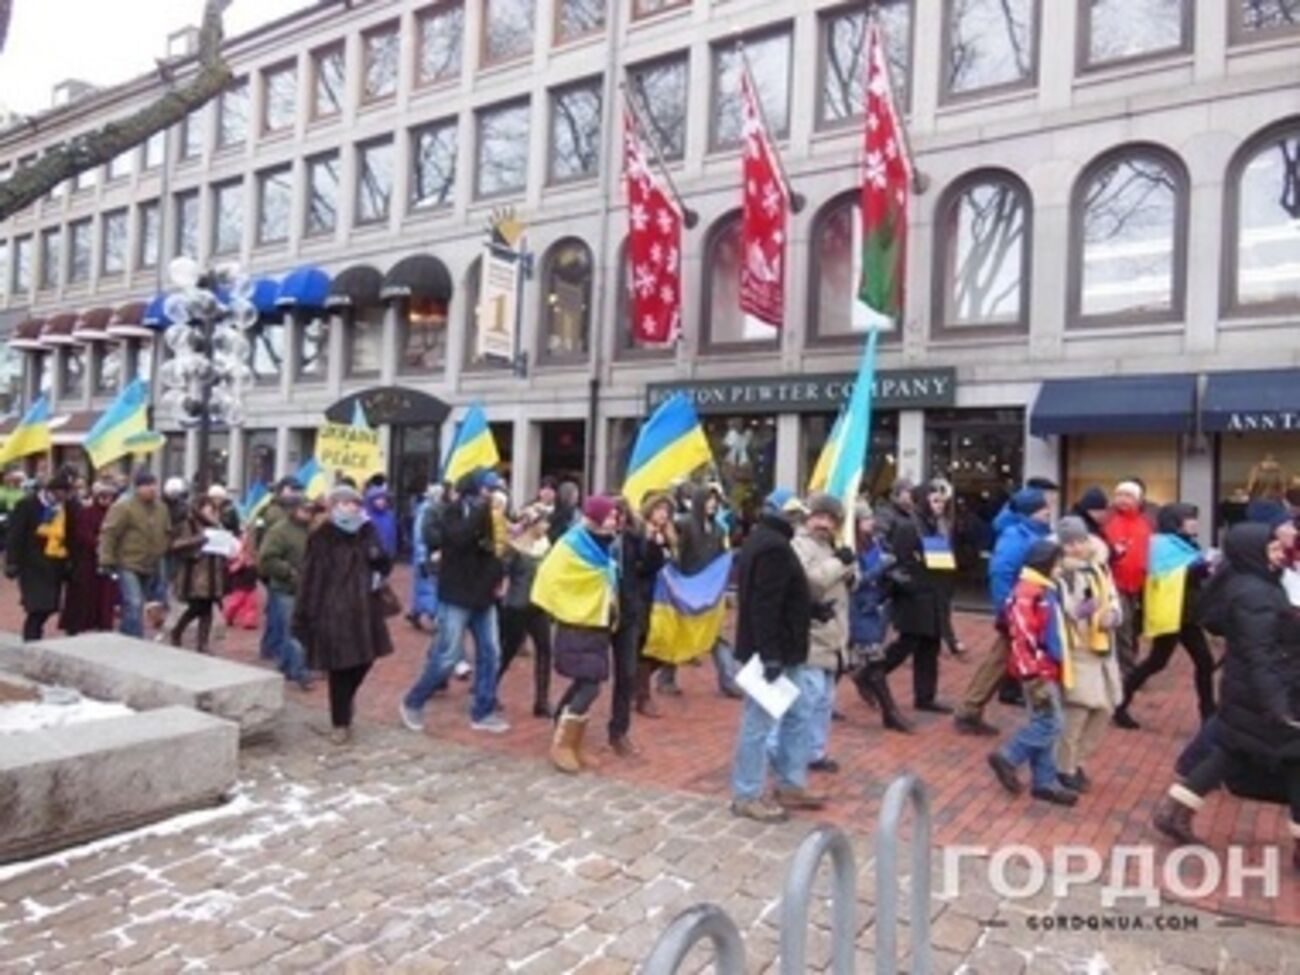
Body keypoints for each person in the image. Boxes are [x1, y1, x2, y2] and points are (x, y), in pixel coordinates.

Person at [1151, 523, 1300, 867]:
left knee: (1235, 751)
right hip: (1265, 691)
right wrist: (1278, 705)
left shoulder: (1253, 583)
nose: (1280, 554)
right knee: (1290, 758)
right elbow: (1262, 652)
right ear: (1253, 553)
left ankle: (1175, 810)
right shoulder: (1255, 592)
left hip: (1250, 689)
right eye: (1273, 549)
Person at [729, 489, 824, 823]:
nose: (798, 518)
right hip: (774, 651)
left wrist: (813, 609)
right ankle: (746, 793)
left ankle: (790, 782)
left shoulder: (769, 540)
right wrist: (770, 655)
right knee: (758, 723)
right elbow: (764, 604)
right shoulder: (772, 546)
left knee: (799, 713)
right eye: (794, 513)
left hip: (783, 648)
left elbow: (783, 594)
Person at [399, 469, 509, 735]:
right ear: (474, 490)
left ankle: (482, 710)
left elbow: (498, 551)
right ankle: (413, 702)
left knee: (491, 653)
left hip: (484, 595)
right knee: (447, 656)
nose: (493, 495)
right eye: (487, 489)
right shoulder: (451, 511)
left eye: (496, 489)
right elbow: (457, 539)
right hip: (457, 594)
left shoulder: (496, 516)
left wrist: (499, 578)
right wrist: (483, 513)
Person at [292, 485, 394, 745]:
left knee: (365, 661)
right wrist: (306, 614)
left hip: (365, 608)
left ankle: (346, 701)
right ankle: (340, 723)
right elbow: (311, 577)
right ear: (335, 505)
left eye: (356, 504)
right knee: (340, 667)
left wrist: (378, 556)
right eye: (348, 503)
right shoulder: (322, 536)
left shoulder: (367, 530)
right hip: (333, 610)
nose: (353, 508)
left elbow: (385, 563)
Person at [953, 487, 1053, 736]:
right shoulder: (1016, 537)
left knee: (1000, 660)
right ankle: (969, 710)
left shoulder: (1031, 533)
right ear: (1032, 512)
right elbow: (1000, 574)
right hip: (1019, 610)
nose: (1048, 512)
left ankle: (970, 709)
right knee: (1000, 660)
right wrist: (1007, 611)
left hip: (1027, 608)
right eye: (1044, 508)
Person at [987, 539, 1078, 806]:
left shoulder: (1040, 589)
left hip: (1043, 666)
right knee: (1051, 722)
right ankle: (1009, 755)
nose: (1061, 568)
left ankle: (1044, 781)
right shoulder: (1030, 592)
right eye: (1058, 563)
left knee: (1045, 719)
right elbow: (1023, 635)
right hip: (1038, 670)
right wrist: (1033, 670)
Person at [1113, 503, 1215, 729]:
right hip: (1171, 613)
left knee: (1201, 662)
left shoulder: (1187, 545)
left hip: (1186, 615)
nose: (1195, 522)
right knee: (1157, 662)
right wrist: (1196, 569)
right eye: (1189, 518)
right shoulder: (1160, 545)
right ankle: (1119, 704)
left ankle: (1208, 714)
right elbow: (1163, 575)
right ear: (1176, 522)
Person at [540, 496, 621, 773]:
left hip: (596, 623)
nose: (614, 521)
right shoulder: (572, 544)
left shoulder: (603, 545)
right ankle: (563, 743)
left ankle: (570, 738)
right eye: (609, 516)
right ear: (596, 518)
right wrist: (567, 605)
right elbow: (550, 577)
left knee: (587, 680)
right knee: (590, 684)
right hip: (576, 623)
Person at [1054, 516, 1122, 793]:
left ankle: (1078, 760)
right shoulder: (1059, 573)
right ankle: (1065, 767)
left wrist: (1113, 614)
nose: (1077, 547)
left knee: (1105, 708)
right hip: (1077, 650)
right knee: (1078, 711)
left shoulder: (1100, 567)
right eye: (1069, 542)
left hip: (1103, 647)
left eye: (1080, 540)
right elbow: (1057, 612)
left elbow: (1113, 597)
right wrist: (1079, 612)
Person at [791, 494, 857, 773]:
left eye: (830, 519)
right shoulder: (799, 545)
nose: (824, 523)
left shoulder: (832, 546)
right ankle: (790, 753)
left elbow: (849, 582)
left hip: (834, 635)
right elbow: (812, 582)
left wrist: (851, 570)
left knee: (824, 701)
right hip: (812, 634)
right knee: (806, 700)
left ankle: (815, 752)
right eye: (819, 516)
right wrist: (839, 564)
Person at [607, 496, 668, 757]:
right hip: (599, 614)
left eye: (619, 514)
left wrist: (655, 545)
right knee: (590, 675)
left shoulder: (634, 538)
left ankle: (619, 732)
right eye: (611, 515)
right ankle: (570, 721)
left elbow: (649, 567)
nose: (615, 520)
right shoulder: (592, 539)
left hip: (629, 612)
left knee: (627, 673)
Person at [881, 484, 949, 716]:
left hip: (933, 594)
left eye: (942, 501)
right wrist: (910, 586)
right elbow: (898, 563)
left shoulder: (936, 526)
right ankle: (872, 674)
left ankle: (925, 696)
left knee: (930, 646)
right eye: (935, 500)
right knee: (906, 643)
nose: (940, 505)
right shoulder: (910, 527)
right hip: (915, 596)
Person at [848, 501, 911, 732]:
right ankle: (890, 712)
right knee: (874, 661)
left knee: (843, 660)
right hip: (859, 609)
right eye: (866, 519)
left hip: (873, 606)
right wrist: (881, 568)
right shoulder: (850, 548)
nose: (871, 522)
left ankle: (886, 708)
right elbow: (855, 581)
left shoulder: (874, 542)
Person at [98, 470, 172, 639]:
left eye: (154, 485)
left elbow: (166, 532)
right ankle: (134, 640)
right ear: (137, 487)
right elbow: (109, 533)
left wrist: (163, 551)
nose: (152, 489)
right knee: (134, 602)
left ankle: (126, 636)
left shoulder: (161, 509)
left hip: (151, 563)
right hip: (127, 562)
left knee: (141, 604)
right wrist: (106, 559)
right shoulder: (123, 506)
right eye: (147, 485)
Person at [496, 504, 553, 718]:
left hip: (539, 605)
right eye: (543, 522)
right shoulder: (515, 548)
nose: (546, 526)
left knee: (545, 650)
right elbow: (501, 572)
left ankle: (542, 701)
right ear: (532, 524)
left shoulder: (545, 545)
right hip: (517, 606)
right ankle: (488, 689)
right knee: (507, 651)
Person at [257, 496, 316, 689]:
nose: (308, 514)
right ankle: (300, 672)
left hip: (307, 588)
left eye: (310, 510)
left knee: (297, 630)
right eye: (304, 510)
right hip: (285, 589)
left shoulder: (312, 531)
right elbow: (267, 559)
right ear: (293, 510)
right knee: (294, 631)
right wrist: (289, 573)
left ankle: (284, 665)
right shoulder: (279, 531)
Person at [5, 471, 72, 641]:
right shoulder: (27, 505)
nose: (64, 495)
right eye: (62, 491)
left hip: (54, 564)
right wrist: (11, 561)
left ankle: (35, 635)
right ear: (52, 490)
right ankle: (31, 639)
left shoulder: (65, 508)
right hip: (31, 563)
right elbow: (15, 534)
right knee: (36, 606)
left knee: (49, 606)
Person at [634, 493, 678, 718]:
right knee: (645, 646)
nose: (663, 514)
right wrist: (653, 546)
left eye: (666, 511)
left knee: (663, 650)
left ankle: (635, 683)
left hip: (663, 600)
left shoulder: (668, 536)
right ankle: (642, 696)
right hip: (644, 598)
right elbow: (642, 567)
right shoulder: (643, 535)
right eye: (659, 509)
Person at [168, 495, 230, 654]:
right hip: (194, 573)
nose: (213, 512)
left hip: (213, 573)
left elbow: (224, 545)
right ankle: (177, 631)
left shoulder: (218, 526)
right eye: (209, 508)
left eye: (215, 509)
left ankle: (202, 643)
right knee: (197, 607)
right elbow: (175, 545)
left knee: (207, 607)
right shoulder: (188, 524)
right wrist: (198, 540)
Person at [1103, 480, 1152, 679]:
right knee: (1123, 626)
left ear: (1139, 500)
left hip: (1138, 584)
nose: (1122, 499)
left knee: (1132, 627)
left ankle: (1127, 665)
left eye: (1128, 495)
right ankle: (1127, 671)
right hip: (1115, 584)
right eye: (1119, 495)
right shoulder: (1108, 521)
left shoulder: (1144, 523)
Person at [254, 476, 304, 661]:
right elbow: (265, 543)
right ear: (282, 490)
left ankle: (271, 647)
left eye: (299, 490)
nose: (297, 493)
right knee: (278, 613)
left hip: (279, 568)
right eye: (293, 489)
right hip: (276, 569)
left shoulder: (282, 511)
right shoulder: (273, 513)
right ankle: (274, 649)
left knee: (276, 611)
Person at [61, 480, 119, 635]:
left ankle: (103, 624)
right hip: (87, 561)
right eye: (103, 496)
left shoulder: (115, 514)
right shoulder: (85, 513)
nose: (107, 500)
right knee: (83, 595)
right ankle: (77, 625)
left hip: (107, 560)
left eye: (110, 497)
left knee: (105, 595)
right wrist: (98, 544)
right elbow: (80, 533)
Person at [407, 484, 443, 631]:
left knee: (423, 585)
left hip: (423, 555)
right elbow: (419, 536)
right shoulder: (427, 511)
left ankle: (417, 612)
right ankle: (430, 615)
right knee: (428, 585)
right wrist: (422, 556)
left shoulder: (428, 509)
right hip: (425, 554)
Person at [364, 484, 399, 561]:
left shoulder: (390, 515)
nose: (381, 501)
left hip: (387, 555)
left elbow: (393, 534)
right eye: (377, 499)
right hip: (370, 556)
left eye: (383, 498)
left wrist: (392, 551)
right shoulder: (365, 516)